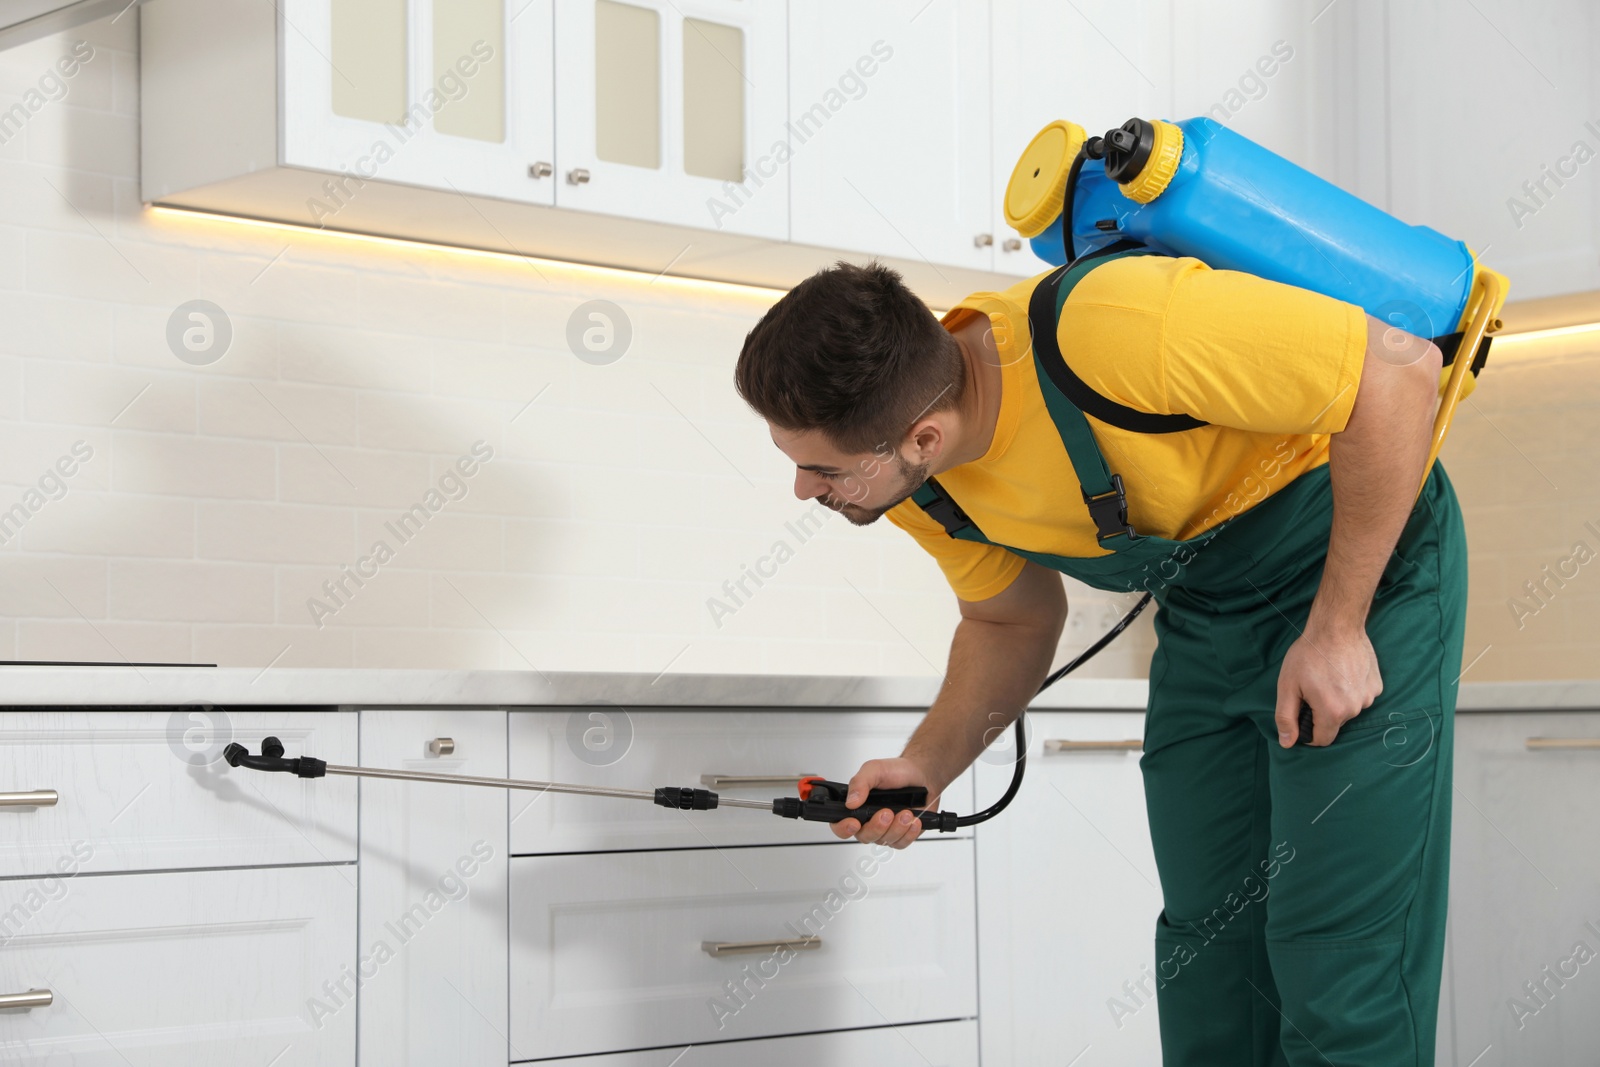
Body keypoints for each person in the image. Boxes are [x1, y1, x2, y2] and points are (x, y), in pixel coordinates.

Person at [732, 249, 1466, 1066]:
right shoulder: (919, 481)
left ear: (922, 436)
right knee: (1208, 948)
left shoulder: (1117, 327)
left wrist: (1337, 626)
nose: (804, 490)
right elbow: (1010, 622)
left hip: (1363, 574)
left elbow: (1399, 373)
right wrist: (925, 764)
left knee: (1337, 951)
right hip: (1207, 614)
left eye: (818, 468)